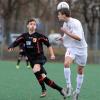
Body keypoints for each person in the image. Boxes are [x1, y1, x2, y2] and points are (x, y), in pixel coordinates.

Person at [8, 18, 67, 99]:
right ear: (27, 26)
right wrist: (11, 46)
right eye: (31, 24)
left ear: (36, 27)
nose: (33, 25)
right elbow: (16, 41)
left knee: (36, 70)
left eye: (34, 24)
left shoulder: (39, 36)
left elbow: (48, 45)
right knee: (43, 77)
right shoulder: (24, 36)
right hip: (32, 60)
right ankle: (60, 89)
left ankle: (43, 90)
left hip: (40, 58)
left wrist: (52, 54)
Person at [57, 8, 88, 100]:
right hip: (72, 48)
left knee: (80, 70)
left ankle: (77, 92)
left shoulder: (76, 23)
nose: (58, 16)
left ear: (64, 15)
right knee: (66, 63)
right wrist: (62, 38)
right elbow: (67, 36)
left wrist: (66, 32)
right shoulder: (65, 23)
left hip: (82, 49)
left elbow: (79, 38)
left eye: (59, 14)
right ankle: (69, 87)